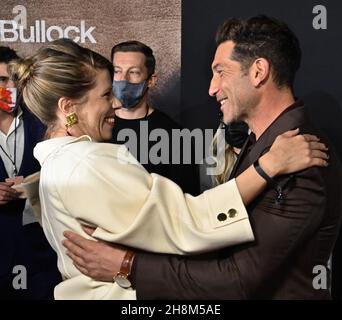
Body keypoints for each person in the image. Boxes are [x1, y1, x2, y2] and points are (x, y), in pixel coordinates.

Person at [10, 38, 327, 300]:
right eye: (105, 94)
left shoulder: (59, 162)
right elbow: (188, 221)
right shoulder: (87, 162)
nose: (115, 103)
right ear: (69, 108)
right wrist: (267, 165)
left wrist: (126, 263)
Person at [0, 46, 61, 299]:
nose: (5, 87)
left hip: (43, 258)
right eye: (1, 80)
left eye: (9, 79)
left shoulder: (48, 123)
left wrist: (35, 185)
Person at [111, 41, 199, 195]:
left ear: (151, 80)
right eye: (117, 71)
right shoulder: (97, 128)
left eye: (134, 72)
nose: (123, 80)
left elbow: (185, 200)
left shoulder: (174, 136)